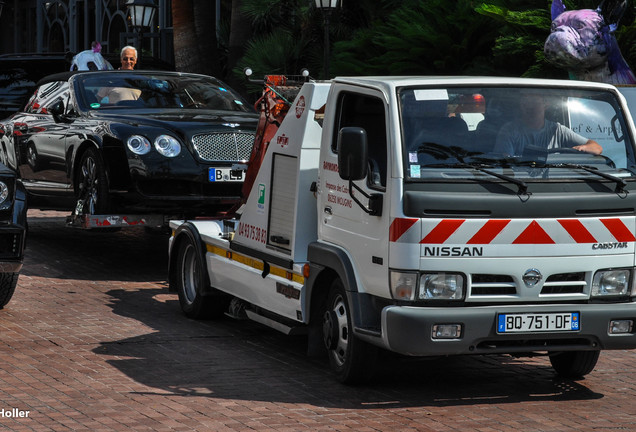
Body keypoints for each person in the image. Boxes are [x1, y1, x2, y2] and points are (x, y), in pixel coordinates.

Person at [494, 93, 602, 157]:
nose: (527, 105)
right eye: (524, 101)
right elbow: (505, 164)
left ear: (545, 104)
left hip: (555, 182)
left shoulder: (558, 130)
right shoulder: (510, 130)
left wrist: (582, 148)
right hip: (519, 184)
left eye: (533, 101)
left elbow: (597, 148)